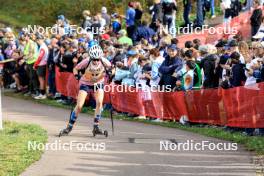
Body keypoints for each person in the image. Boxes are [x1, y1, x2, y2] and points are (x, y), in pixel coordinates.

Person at [60, 45, 111, 136]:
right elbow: (75, 69)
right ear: (91, 57)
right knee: (79, 105)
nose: (96, 61)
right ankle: (69, 127)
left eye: (97, 59)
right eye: (94, 59)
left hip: (98, 83)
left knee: (99, 103)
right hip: (86, 83)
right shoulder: (86, 61)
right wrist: (77, 76)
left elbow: (112, 68)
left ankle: (96, 127)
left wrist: (111, 73)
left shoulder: (104, 61)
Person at [33, 34, 49, 99]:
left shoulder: (43, 47)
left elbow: (40, 57)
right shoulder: (43, 46)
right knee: (41, 79)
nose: (38, 41)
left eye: (39, 40)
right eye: (37, 40)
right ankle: (42, 93)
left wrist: (35, 65)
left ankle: (42, 94)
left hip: (41, 65)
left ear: (42, 39)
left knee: (41, 80)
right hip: (42, 64)